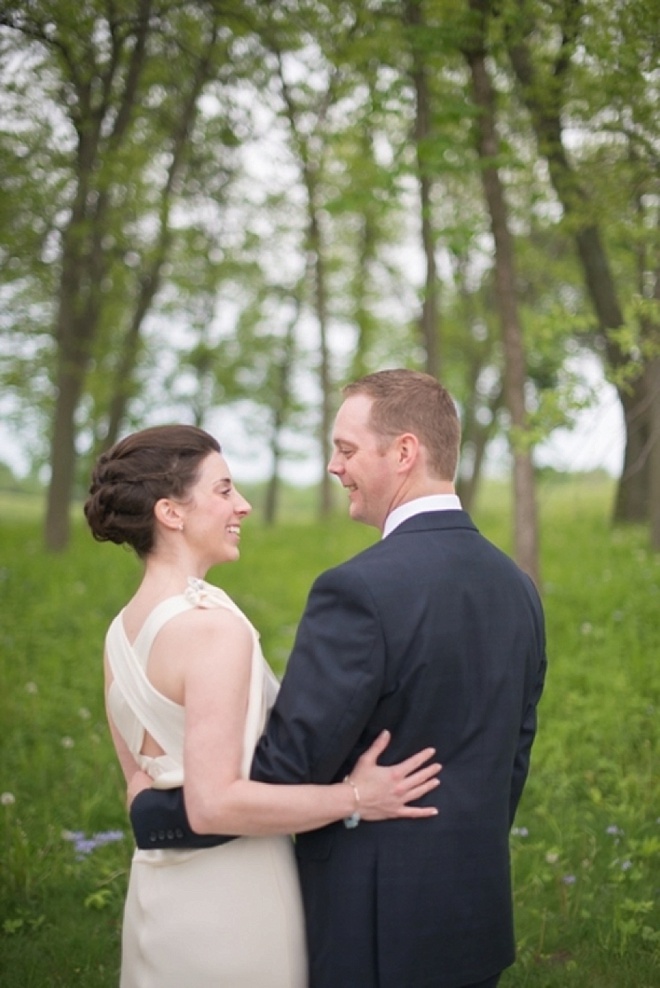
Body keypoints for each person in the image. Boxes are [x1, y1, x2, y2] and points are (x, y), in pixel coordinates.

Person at [130, 369, 547, 988]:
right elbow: (510, 758)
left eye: (347, 449)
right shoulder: (517, 587)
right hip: (473, 923)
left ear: (404, 452)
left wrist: (155, 810)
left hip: (369, 930)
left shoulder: (358, 590)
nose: (333, 466)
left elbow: (287, 770)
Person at [84, 423, 442, 988]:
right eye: (224, 490)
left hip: (158, 897)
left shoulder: (119, 633)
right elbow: (213, 805)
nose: (243, 506)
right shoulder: (211, 631)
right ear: (170, 513)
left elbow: (137, 791)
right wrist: (357, 797)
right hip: (233, 902)